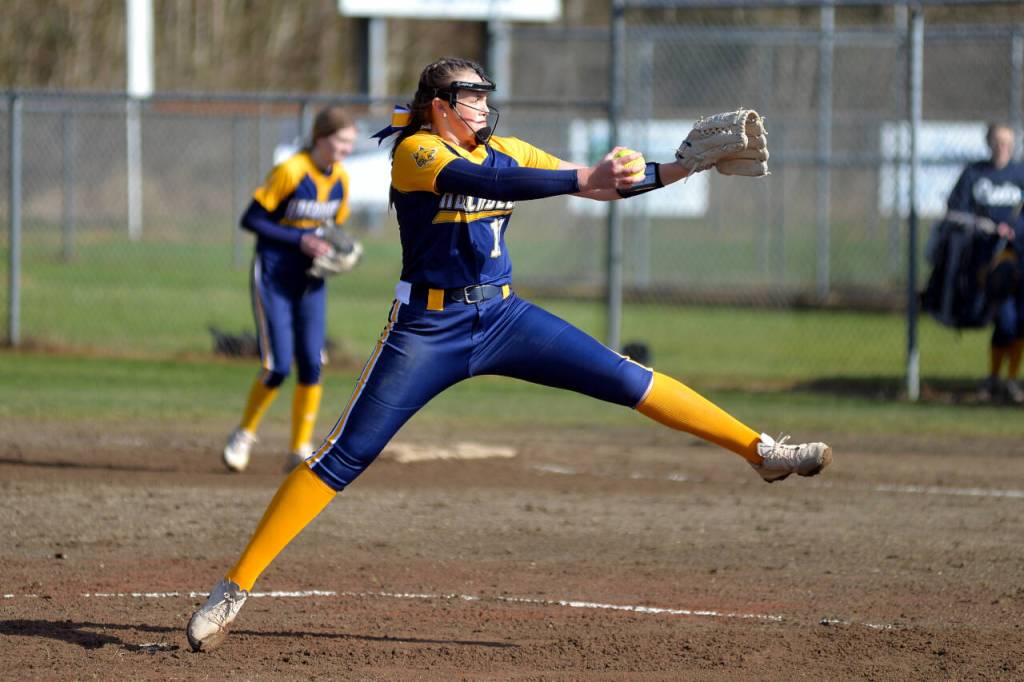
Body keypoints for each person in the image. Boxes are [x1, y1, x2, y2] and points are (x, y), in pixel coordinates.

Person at [187, 57, 832, 652]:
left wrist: (681, 168)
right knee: (342, 457)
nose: (482, 106)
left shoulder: (502, 146)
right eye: (470, 96)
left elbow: (598, 189)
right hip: (426, 329)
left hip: (502, 314)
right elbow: (492, 180)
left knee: (627, 379)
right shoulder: (417, 150)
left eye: (483, 96)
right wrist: (585, 174)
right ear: (439, 104)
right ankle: (234, 587)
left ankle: (762, 453)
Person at [221, 106, 359, 473]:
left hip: (311, 281)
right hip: (274, 276)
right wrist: (300, 238)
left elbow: (331, 228)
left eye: (350, 143)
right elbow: (251, 219)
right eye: (341, 141)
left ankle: (299, 447)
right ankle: (244, 434)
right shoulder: (291, 171)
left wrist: (336, 249)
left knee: (313, 363)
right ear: (320, 138)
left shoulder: (341, 179)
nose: (346, 148)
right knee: (278, 366)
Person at [944, 123, 1024, 403]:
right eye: (998, 141)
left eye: (1008, 142)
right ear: (988, 143)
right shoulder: (975, 174)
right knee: (1006, 319)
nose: (1003, 147)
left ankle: (1009, 380)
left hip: (1020, 258)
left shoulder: (1019, 174)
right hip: (989, 262)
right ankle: (995, 378)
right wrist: (986, 226)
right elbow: (954, 212)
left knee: (1019, 322)